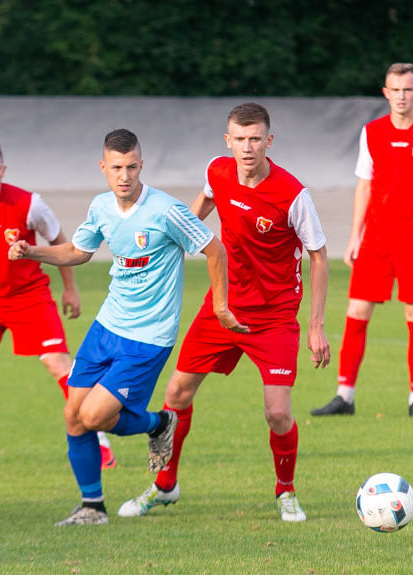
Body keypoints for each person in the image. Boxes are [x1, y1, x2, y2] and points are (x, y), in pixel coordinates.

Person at [9, 128, 242, 526]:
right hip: (107, 327)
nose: (124, 176)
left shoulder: (166, 210)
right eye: (116, 167)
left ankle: (158, 422)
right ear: (103, 167)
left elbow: (213, 247)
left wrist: (220, 306)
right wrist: (33, 252)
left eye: (132, 167)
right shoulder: (101, 207)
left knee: (95, 416)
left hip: (147, 337)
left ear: (141, 166)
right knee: (72, 414)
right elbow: (78, 251)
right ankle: (92, 507)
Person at [118, 103, 331, 523]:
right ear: (227, 140)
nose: (247, 147)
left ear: (269, 141)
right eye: (240, 138)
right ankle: (164, 485)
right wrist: (173, 242)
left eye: (255, 139)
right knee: (176, 395)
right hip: (223, 304)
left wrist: (316, 326)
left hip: (273, 316)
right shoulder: (218, 170)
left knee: (278, 412)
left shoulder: (292, 194)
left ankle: (285, 492)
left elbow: (319, 256)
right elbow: (204, 202)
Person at [0, 137, 115, 469]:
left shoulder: (28, 204)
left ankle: (99, 442)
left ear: (4, 169)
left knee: (59, 365)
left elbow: (60, 242)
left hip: (30, 297)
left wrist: (69, 289)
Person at [311, 62, 413, 420]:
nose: (402, 96)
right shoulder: (372, 132)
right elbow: (364, 185)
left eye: (408, 90)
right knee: (357, 312)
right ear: (386, 93)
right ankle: (344, 396)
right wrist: (353, 237)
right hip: (376, 239)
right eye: (395, 90)